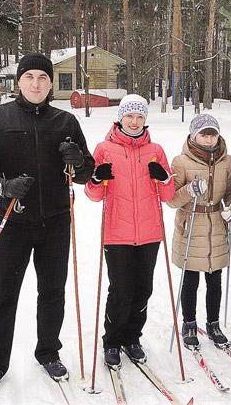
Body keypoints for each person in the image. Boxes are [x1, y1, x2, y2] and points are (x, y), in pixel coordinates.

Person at [0, 53, 94, 400]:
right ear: (19, 81)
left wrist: (78, 161)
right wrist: (1, 185)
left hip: (54, 222)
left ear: (51, 83)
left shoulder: (65, 121)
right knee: (1, 297)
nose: (36, 84)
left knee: (52, 293)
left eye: (42, 77)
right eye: (29, 77)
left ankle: (48, 352)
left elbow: (86, 173)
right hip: (12, 222)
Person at [84, 94, 175, 368]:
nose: (134, 122)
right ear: (120, 118)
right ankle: (112, 341)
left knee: (143, 289)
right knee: (121, 290)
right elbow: (93, 194)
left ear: (145, 119)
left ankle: (132, 338)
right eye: (129, 116)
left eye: (139, 117)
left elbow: (168, 194)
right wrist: (97, 178)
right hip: (117, 233)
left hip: (149, 233)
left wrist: (164, 177)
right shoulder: (104, 149)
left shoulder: (156, 150)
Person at [167, 114, 231, 350]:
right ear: (193, 135)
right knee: (190, 279)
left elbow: (230, 191)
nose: (209, 140)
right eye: (204, 134)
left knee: (214, 278)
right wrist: (190, 190)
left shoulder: (227, 161)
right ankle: (189, 323)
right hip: (191, 224)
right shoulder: (180, 161)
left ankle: (213, 323)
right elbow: (171, 199)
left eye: (213, 134)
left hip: (217, 225)